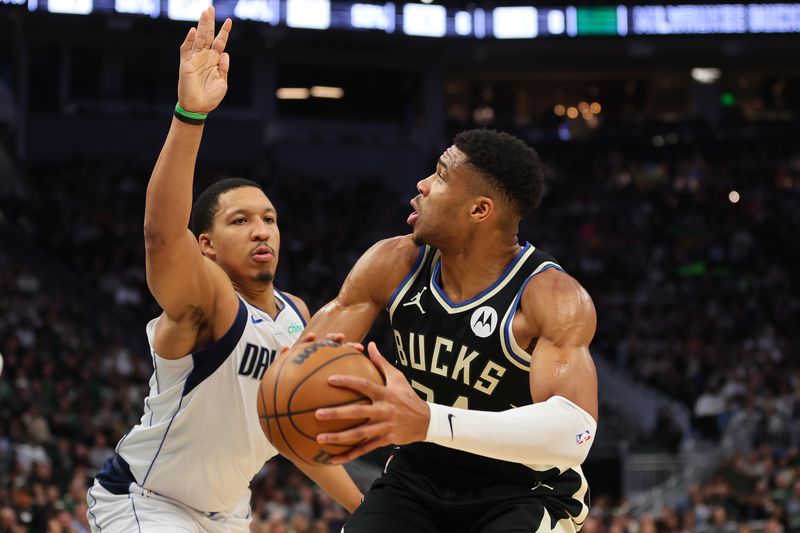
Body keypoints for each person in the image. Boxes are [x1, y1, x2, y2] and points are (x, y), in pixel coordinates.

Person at [85, 8, 362, 532]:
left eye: (269, 219)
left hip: (229, 514)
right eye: (241, 220)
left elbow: (295, 431)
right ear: (206, 245)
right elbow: (162, 236)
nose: (262, 230)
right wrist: (190, 116)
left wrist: (369, 512)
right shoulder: (209, 299)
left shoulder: (295, 316)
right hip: (148, 500)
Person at [304, 129, 599, 532]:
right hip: (417, 477)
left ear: (479, 210)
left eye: (440, 177)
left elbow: (575, 433)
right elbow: (306, 364)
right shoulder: (393, 263)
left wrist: (429, 420)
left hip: (522, 490)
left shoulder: (551, 295)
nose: (422, 185)